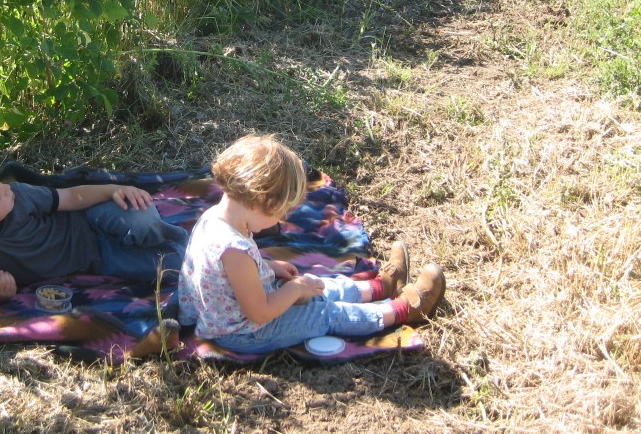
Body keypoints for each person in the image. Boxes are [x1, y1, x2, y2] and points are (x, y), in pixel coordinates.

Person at [178, 134, 446, 353]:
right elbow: (260, 312)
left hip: (237, 311)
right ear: (259, 201)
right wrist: (295, 289)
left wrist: (268, 267)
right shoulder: (235, 250)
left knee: (318, 286)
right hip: (245, 333)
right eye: (278, 213)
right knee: (322, 313)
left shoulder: (214, 219)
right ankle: (404, 310)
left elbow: (227, 273)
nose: (278, 222)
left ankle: (382, 286)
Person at [0, 159, 189, 304]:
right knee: (176, 267)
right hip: (95, 257)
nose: (7, 188)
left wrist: (113, 190)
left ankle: (176, 236)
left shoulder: (20, 196)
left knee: (141, 218)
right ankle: (189, 251)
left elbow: (71, 197)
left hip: (90, 218)